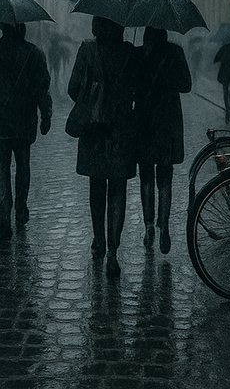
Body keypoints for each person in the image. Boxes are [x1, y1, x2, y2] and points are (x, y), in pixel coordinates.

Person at [68, 16, 136, 277]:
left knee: (97, 186)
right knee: (118, 188)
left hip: (94, 129)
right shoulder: (129, 52)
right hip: (121, 130)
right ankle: (113, 253)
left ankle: (98, 239)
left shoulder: (87, 49)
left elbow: (73, 88)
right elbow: (137, 91)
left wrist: (93, 95)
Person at [134, 26, 192, 254]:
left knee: (146, 175)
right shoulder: (175, 53)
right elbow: (186, 86)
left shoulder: (139, 54)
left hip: (144, 120)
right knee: (165, 176)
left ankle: (149, 225)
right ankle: (164, 227)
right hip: (167, 120)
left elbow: (130, 87)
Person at [0, 23, 52, 238]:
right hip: (24, 121)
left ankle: (3, 214)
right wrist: (46, 114)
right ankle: (21, 209)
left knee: (2, 169)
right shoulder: (34, 54)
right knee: (23, 167)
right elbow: (42, 88)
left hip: (1, 122)